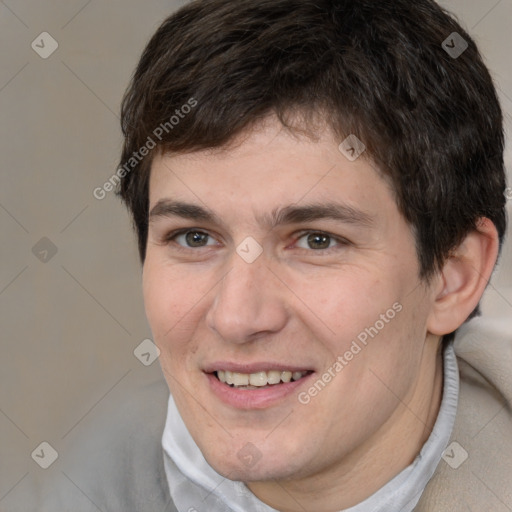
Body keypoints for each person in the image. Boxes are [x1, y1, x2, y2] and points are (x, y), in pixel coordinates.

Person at [39, 0, 511, 510]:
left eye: (316, 240)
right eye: (194, 237)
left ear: (453, 276)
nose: (238, 317)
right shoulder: (78, 480)